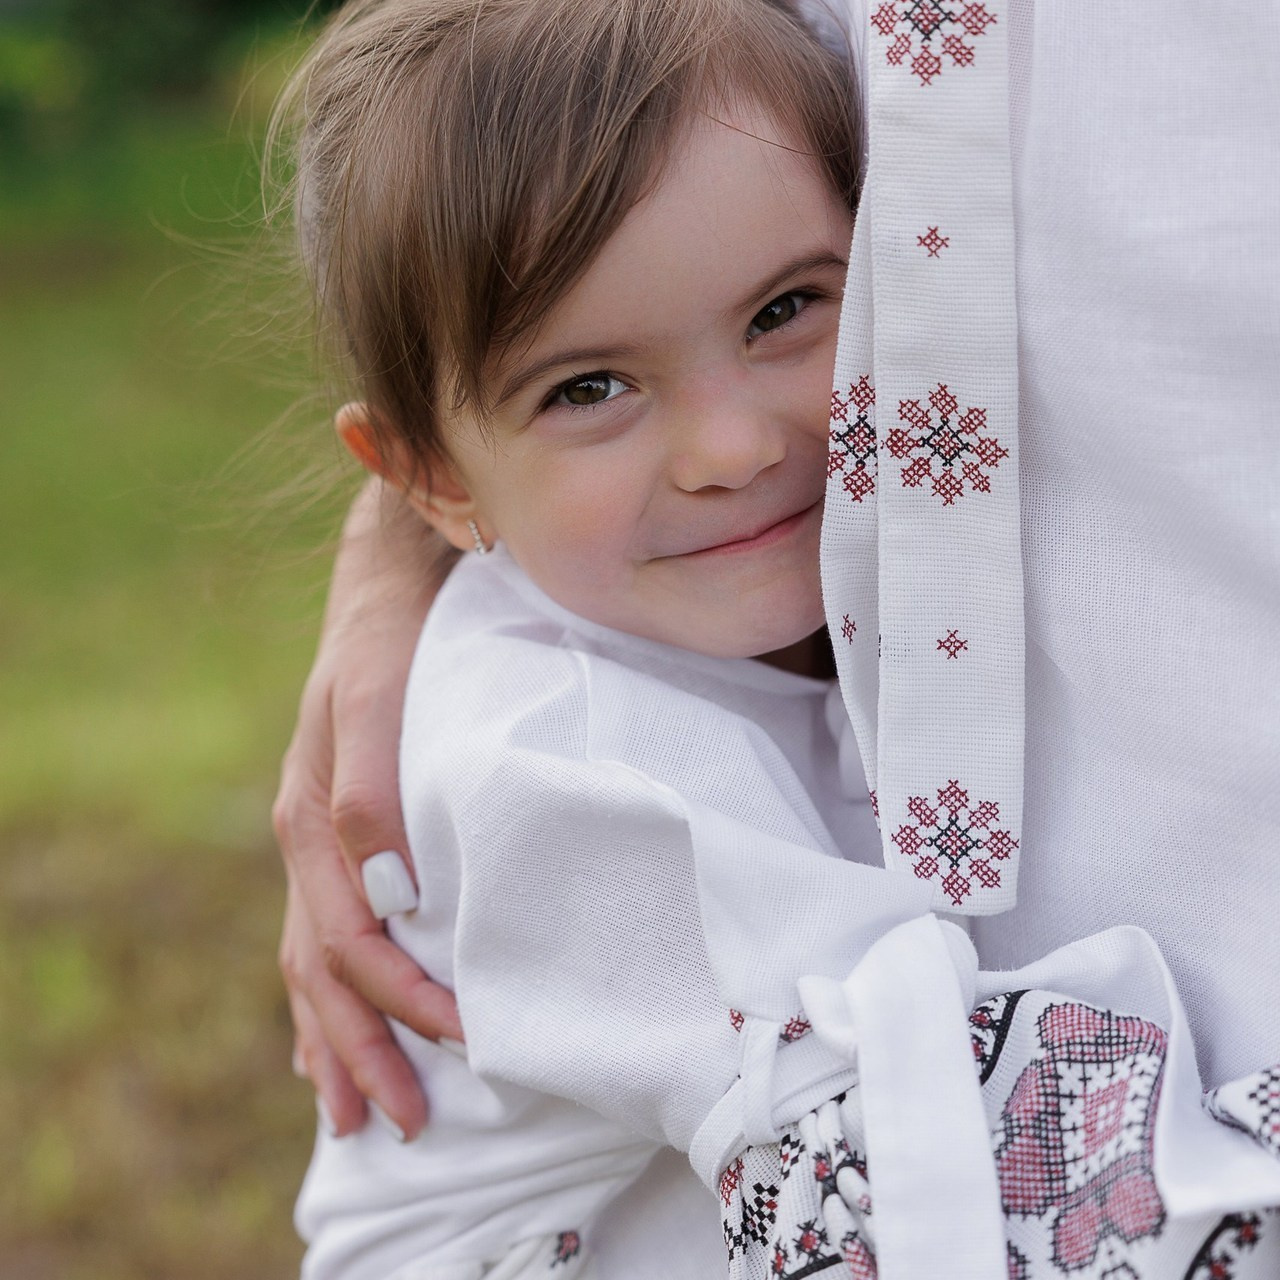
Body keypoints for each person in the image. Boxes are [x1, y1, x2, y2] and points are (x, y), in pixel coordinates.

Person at [272, 1, 1280, 1277]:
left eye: (784, 311)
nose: (734, 447)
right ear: (427, 477)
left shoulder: (705, 635)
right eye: (589, 387)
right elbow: (922, 1177)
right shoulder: (565, 769)